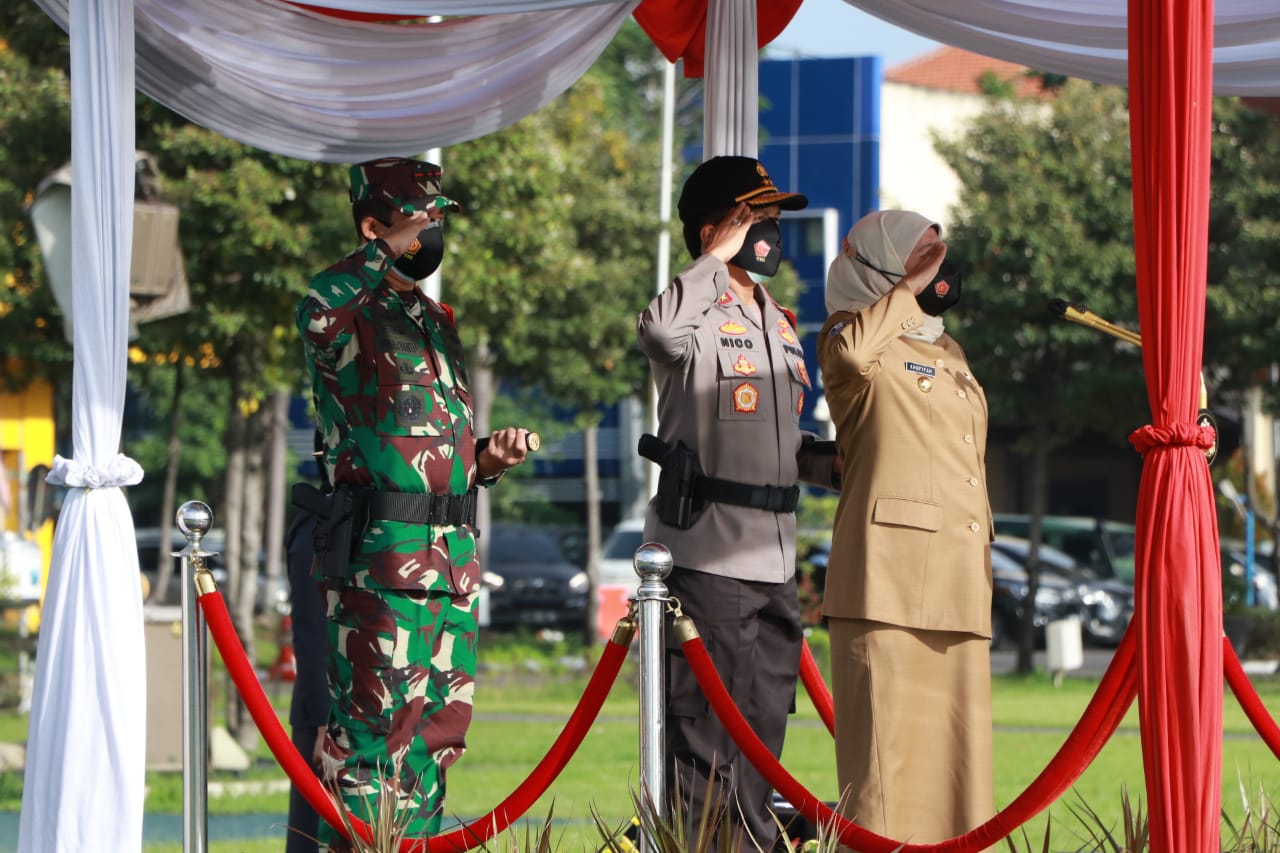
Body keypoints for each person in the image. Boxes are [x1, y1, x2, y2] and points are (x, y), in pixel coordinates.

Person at [295, 156, 531, 850]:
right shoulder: (345, 312)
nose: (434, 231)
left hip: (449, 562)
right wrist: (378, 255)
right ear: (375, 226)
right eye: (420, 219)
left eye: (439, 218)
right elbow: (316, 308)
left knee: (435, 739)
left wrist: (485, 458)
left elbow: (427, 443)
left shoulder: (434, 319)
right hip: (382, 567)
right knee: (370, 744)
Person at [636, 155, 838, 850]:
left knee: (761, 740)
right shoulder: (693, 308)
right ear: (714, 227)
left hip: (774, 557)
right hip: (711, 552)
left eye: (775, 218)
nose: (771, 231)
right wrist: (711, 261)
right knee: (705, 740)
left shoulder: (775, 319)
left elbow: (780, 437)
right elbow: (659, 336)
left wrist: (842, 463)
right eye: (756, 217)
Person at [816, 210, 994, 845]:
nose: (938, 269)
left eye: (939, 257)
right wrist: (906, 291)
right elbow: (855, 355)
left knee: (959, 774)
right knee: (883, 775)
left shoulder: (946, 347)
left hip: (958, 580)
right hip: (888, 579)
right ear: (884, 265)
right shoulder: (848, 337)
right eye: (924, 256)